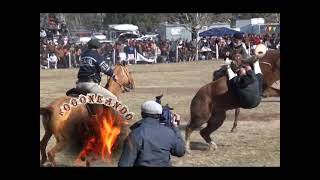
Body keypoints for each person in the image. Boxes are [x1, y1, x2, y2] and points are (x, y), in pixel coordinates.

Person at [118, 100, 185, 167]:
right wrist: (175, 128)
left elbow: (124, 163)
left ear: (142, 114)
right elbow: (180, 152)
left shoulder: (135, 134)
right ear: (159, 115)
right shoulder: (169, 133)